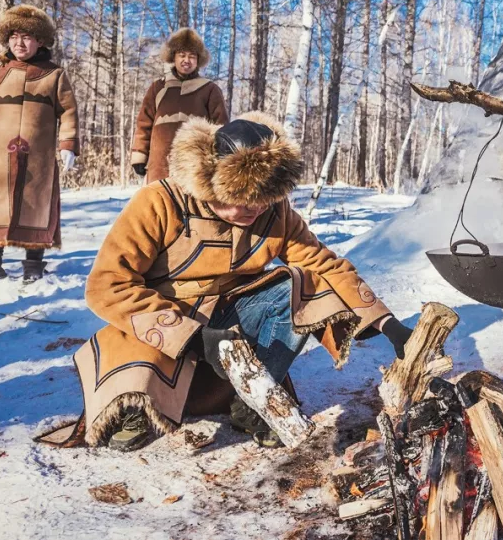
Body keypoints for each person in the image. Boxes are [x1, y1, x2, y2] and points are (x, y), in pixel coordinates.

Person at [38, 111, 414, 451]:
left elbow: (325, 264)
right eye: (245, 200)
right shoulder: (160, 202)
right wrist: (192, 337)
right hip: (163, 325)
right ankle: (140, 402)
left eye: (264, 201)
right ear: (212, 183)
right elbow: (107, 285)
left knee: (301, 284)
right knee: (136, 372)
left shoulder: (273, 210)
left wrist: (387, 323)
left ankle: (253, 401)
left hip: (233, 322)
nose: (256, 211)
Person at [0, 5, 79, 287]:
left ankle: (33, 264)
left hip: (38, 155)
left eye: (27, 37)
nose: (19, 43)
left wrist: (68, 144)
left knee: (35, 203)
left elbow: (69, 111)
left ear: (40, 41)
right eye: (14, 36)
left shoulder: (55, 74)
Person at [130, 28, 228, 183]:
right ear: (173, 57)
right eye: (182, 55)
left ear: (198, 60)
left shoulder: (210, 89)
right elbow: (144, 124)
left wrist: (220, 159)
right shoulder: (158, 88)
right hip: (159, 165)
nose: (186, 60)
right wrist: (139, 155)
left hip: (196, 166)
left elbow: (221, 126)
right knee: (159, 203)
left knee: (193, 206)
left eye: (192, 56)